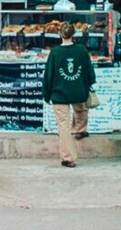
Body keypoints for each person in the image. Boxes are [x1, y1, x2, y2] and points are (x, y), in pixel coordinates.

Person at [42, 22, 96, 168]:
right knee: (81, 109)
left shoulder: (55, 52)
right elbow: (89, 71)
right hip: (78, 91)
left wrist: (46, 94)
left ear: (60, 34)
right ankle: (80, 129)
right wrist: (91, 83)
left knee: (63, 126)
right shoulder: (81, 50)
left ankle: (69, 158)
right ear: (74, 34)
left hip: (59, 94)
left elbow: (49, 75)